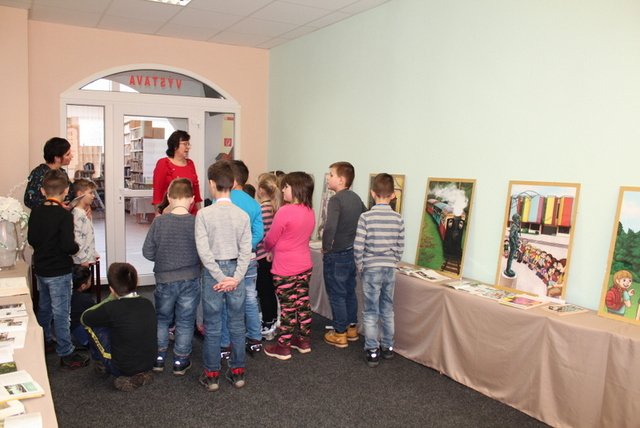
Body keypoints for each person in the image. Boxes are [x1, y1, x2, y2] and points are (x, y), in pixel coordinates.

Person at [195, 161, 252, 391]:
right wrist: (235, 278)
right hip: (237, 272)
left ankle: (212, 375)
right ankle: (238, 373)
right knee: (237, 324)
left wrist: (220, 277)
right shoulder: (242, 215)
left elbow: (204, 252)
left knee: (213, 325)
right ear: (234, 183)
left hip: (213, 274)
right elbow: (246, 251)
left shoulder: (203, 214)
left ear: (211, 183)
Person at [27, 169, 88, 369]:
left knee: (44, 307)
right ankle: (66, 351)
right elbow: (68, 245)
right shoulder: (63, 215)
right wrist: (76, 248)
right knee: (62, 312)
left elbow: (32, 239)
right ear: (66, 191)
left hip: (41, 268)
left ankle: (44, 340)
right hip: (59, 271)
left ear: (43, 191)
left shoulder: (36, 211)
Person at [143, 177, 201, 376]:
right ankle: (180, 361)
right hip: (190, 279)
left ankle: (158, 359)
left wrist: (162, 257)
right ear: (192, 199)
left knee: (162, 318)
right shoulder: (196, 223)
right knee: (185, 320)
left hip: (164, 279)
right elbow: (204, 252)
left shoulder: (159, 222)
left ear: (168, 197)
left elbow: (147, 252)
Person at [353, 173, 405, 367]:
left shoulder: (366, 217)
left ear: (372, 193)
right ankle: (388, 347)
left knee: (370, 310)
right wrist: (393, 261)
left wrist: (360, 265)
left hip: (371, 268)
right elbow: (400, 246)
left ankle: (372, 350)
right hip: (390, 268)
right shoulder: (398, 218)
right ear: (392, 195)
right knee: (387, 308)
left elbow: (359, 245)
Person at [263, 172, 315, 360]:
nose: (283, 190)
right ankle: (303, 341)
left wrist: (268, 248)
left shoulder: (285, 211)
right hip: (304, 265)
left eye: (286, 186)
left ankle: (283, 346)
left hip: (285, 268)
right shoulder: (309, 210)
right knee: (302, 303)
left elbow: (271, 238)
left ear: (296, 188)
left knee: (287, 307)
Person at [81, 263, 156, 391]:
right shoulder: (147, 303)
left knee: (92, 326)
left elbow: (84, 318)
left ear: (111, 289)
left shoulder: (111, 308)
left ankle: (103, 366)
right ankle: (141, 373)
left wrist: (110, 299)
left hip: (121, 367)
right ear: (136, 283)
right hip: (149, 363)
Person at [220, 160, 264, 357]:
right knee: (250, 298)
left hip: (228, 258)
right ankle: (255, 338)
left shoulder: (224, 200)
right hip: (250, 258)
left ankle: (225, 344)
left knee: (225, 300)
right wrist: (245, 247)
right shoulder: (254, 203)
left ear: (232, 179)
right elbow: (259, 233)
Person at [322, 161, 366, 348]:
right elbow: (365, 217)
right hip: (351, 253)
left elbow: (330, 227)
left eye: (331, 175)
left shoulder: (336, 200)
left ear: (341, 180)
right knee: (349, 291)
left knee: (337, 294)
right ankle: (351, 328)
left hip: (337, 254)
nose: (328, 178)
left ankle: (339, 333)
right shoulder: (356, 198)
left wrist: (326, 247)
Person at [255, 172, 282, 340]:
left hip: (263, 255)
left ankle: (267, 323)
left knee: (264, 290)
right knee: (270, 290)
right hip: (271, 255)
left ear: (261, 190)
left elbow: (261, 234)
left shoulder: (262, 209)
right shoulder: (274, 208)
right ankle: (271, 319)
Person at [152, 130, 202, 215]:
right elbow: (157, 192)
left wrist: (199, 213)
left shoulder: (190, 163)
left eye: (188, 144)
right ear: (175, 146)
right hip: (170, 213)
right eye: (185, 144)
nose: (188, 147)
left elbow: (196, 191)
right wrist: (158, 215)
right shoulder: (163, 163)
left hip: (191, 214)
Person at [24, 137, 73, 209]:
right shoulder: (38, 173)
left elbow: (71, 192)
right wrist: (55, 205)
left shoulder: (62, 172)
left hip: (62, 214)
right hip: (45, 215)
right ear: (57, 158)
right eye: (68, 154)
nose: (71, 156)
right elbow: (29, 200)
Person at [71, 178, 100, 267]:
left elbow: (87, 235)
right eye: (90, 193)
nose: (93, 196)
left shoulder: (85, 212)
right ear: (80, 194)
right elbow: (77, 238)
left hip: (86, 258)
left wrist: (93, 253)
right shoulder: (78, 214)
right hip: (81, 261)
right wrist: (83, 259)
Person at [70, 265, 94, 349]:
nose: (91, 281)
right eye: (90, 280)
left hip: (65, 331)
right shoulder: (86, 299)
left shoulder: (65, 295)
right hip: (79, 334)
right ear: (83, 286)